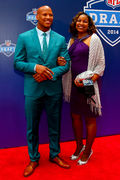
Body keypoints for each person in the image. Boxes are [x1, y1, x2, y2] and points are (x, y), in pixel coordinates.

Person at [14, 5, 71, 177]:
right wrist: (35, 67)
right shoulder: (24, 37)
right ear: (36, 16)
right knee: (32, 127)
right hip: (32, 90)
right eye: (44, 14)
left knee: (55, 125)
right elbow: (17, 63)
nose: (48, 17)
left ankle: (54, 155)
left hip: (53, 90)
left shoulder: (60, 39)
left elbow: (66, 64)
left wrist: (47, 74)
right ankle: (33, 159)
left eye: (51, 14)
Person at [58, 12, 105, 165]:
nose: (81, 23)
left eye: (85, 21)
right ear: (75, 23)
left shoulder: (95, 38)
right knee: (75, 117)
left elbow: (100, 65)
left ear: (89, 24)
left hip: (88, 83)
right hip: (72, 83)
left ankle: (87, 150)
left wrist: (87, 80)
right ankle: (79, 146)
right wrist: (61, 62)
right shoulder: (71, 40)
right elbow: (69, 63)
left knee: (90, 117)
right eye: (79, 21)